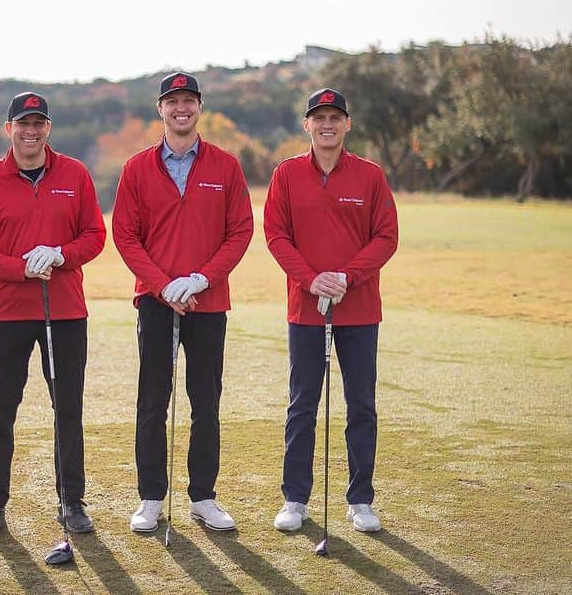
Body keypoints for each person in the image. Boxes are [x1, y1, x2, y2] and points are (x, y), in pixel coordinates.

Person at [112, 72, 253, 533]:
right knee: (152, 401)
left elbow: (240, 232)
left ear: (199, 107)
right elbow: (126, 236)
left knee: (205, 401)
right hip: (155, 304)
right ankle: (151, 497)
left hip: (208, 303)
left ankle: (203, 496)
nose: (181, 109)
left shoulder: (225, 166)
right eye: (173, 102)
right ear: (161, 109)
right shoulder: (137, 168)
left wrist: (200, 279)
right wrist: (161, 285)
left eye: (189, 101)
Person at [0, 91, 106, 541]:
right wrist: (20, 268)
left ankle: (72, 501)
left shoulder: (75, 174)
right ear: (9, 129)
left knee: (68, 409)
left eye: (39, 123)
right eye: (23, 124)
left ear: (48, 128)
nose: (31, 131)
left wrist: (61, 254)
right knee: (2, 411)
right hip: (8, 312)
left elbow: (95, 235)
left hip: (65, 311)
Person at [263, 87, 399, 534]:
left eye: (335, 117)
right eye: (319, 117)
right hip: (305, 309)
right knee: (303, 405)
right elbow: (276, 235)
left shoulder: (370, 175)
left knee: (361, 405)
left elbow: (385, 237)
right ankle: (295, 499)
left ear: (347, 124)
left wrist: (346, 275)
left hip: (358, 309)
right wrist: (311, 278)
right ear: (307, 124)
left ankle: (360, 499)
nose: (327, 124)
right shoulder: (286, 175)